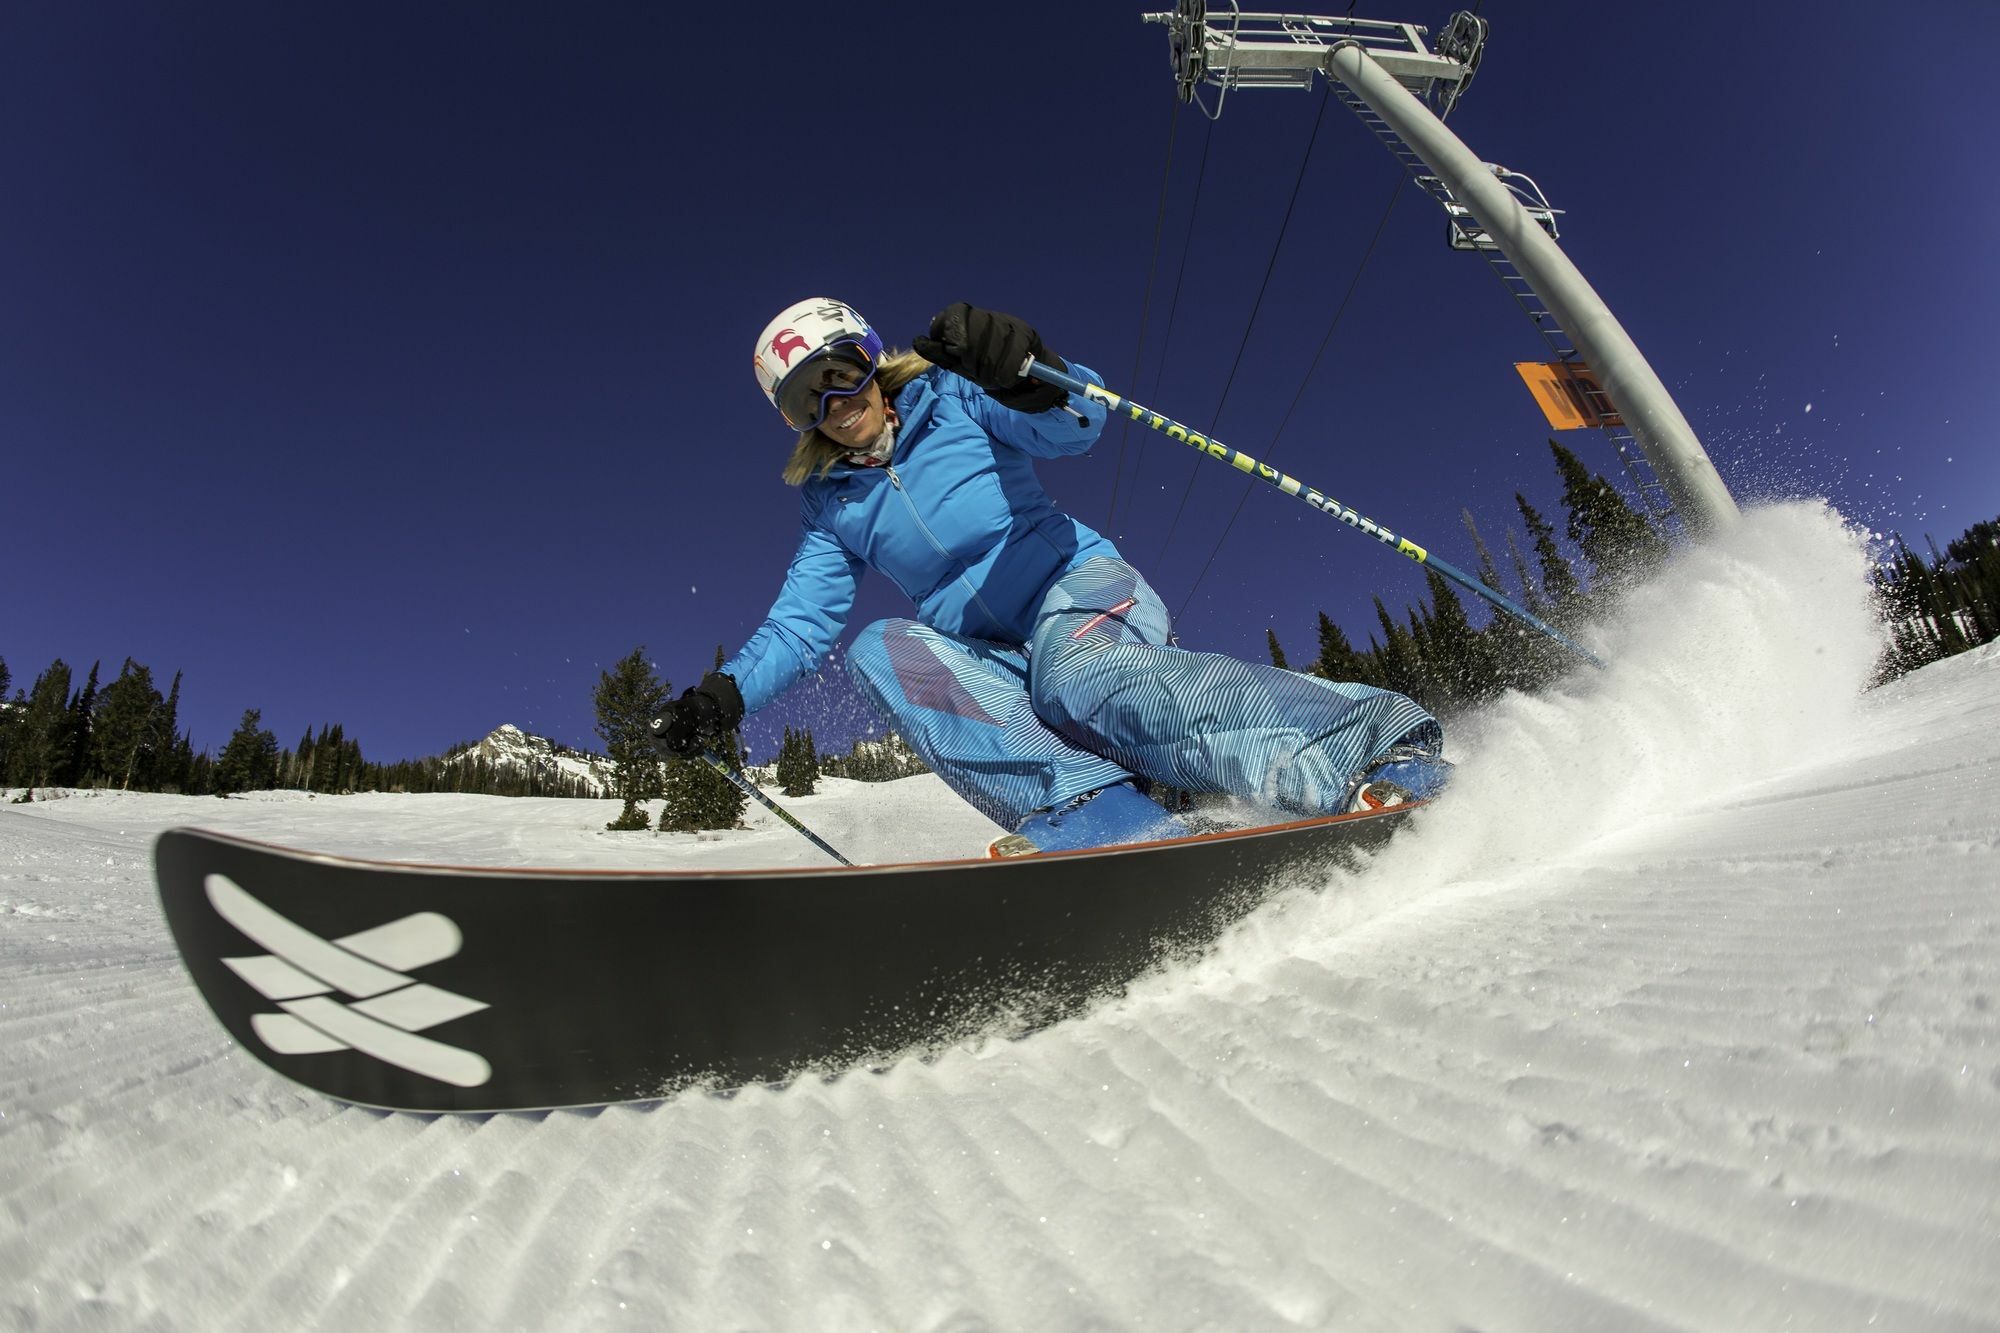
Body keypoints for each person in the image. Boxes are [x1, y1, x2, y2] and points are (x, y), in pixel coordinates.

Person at [649, 297, 1450, 855]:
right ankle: (1098, 808)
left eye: (843, 370)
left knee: (1074, 676)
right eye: (804, 400)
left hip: (1081, 589)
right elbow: (801, 621)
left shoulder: (951, 397)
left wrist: (1025, 370)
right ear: (795, 422)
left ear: (872, 357)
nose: (835, 401)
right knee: (881, 647)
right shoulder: (832, 502)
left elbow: (1079, 423)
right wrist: (724, 696)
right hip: (995, 656)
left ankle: (1366, 745)